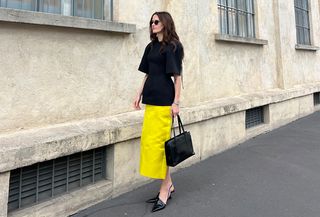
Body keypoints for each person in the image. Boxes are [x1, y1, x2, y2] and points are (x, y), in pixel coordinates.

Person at [133, 11, 184, 212]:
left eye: (156, 21)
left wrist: (176, 102)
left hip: (164, 102)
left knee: (161, 147)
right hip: (151, 101)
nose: (152, 24)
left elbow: (177, 77)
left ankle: (164, 189)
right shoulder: (150, 47)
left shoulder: (173, 47)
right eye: (151, 22)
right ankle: (168, 184)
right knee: (151, 145)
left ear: (165, 23)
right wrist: (138, 93)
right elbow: (147, 73)